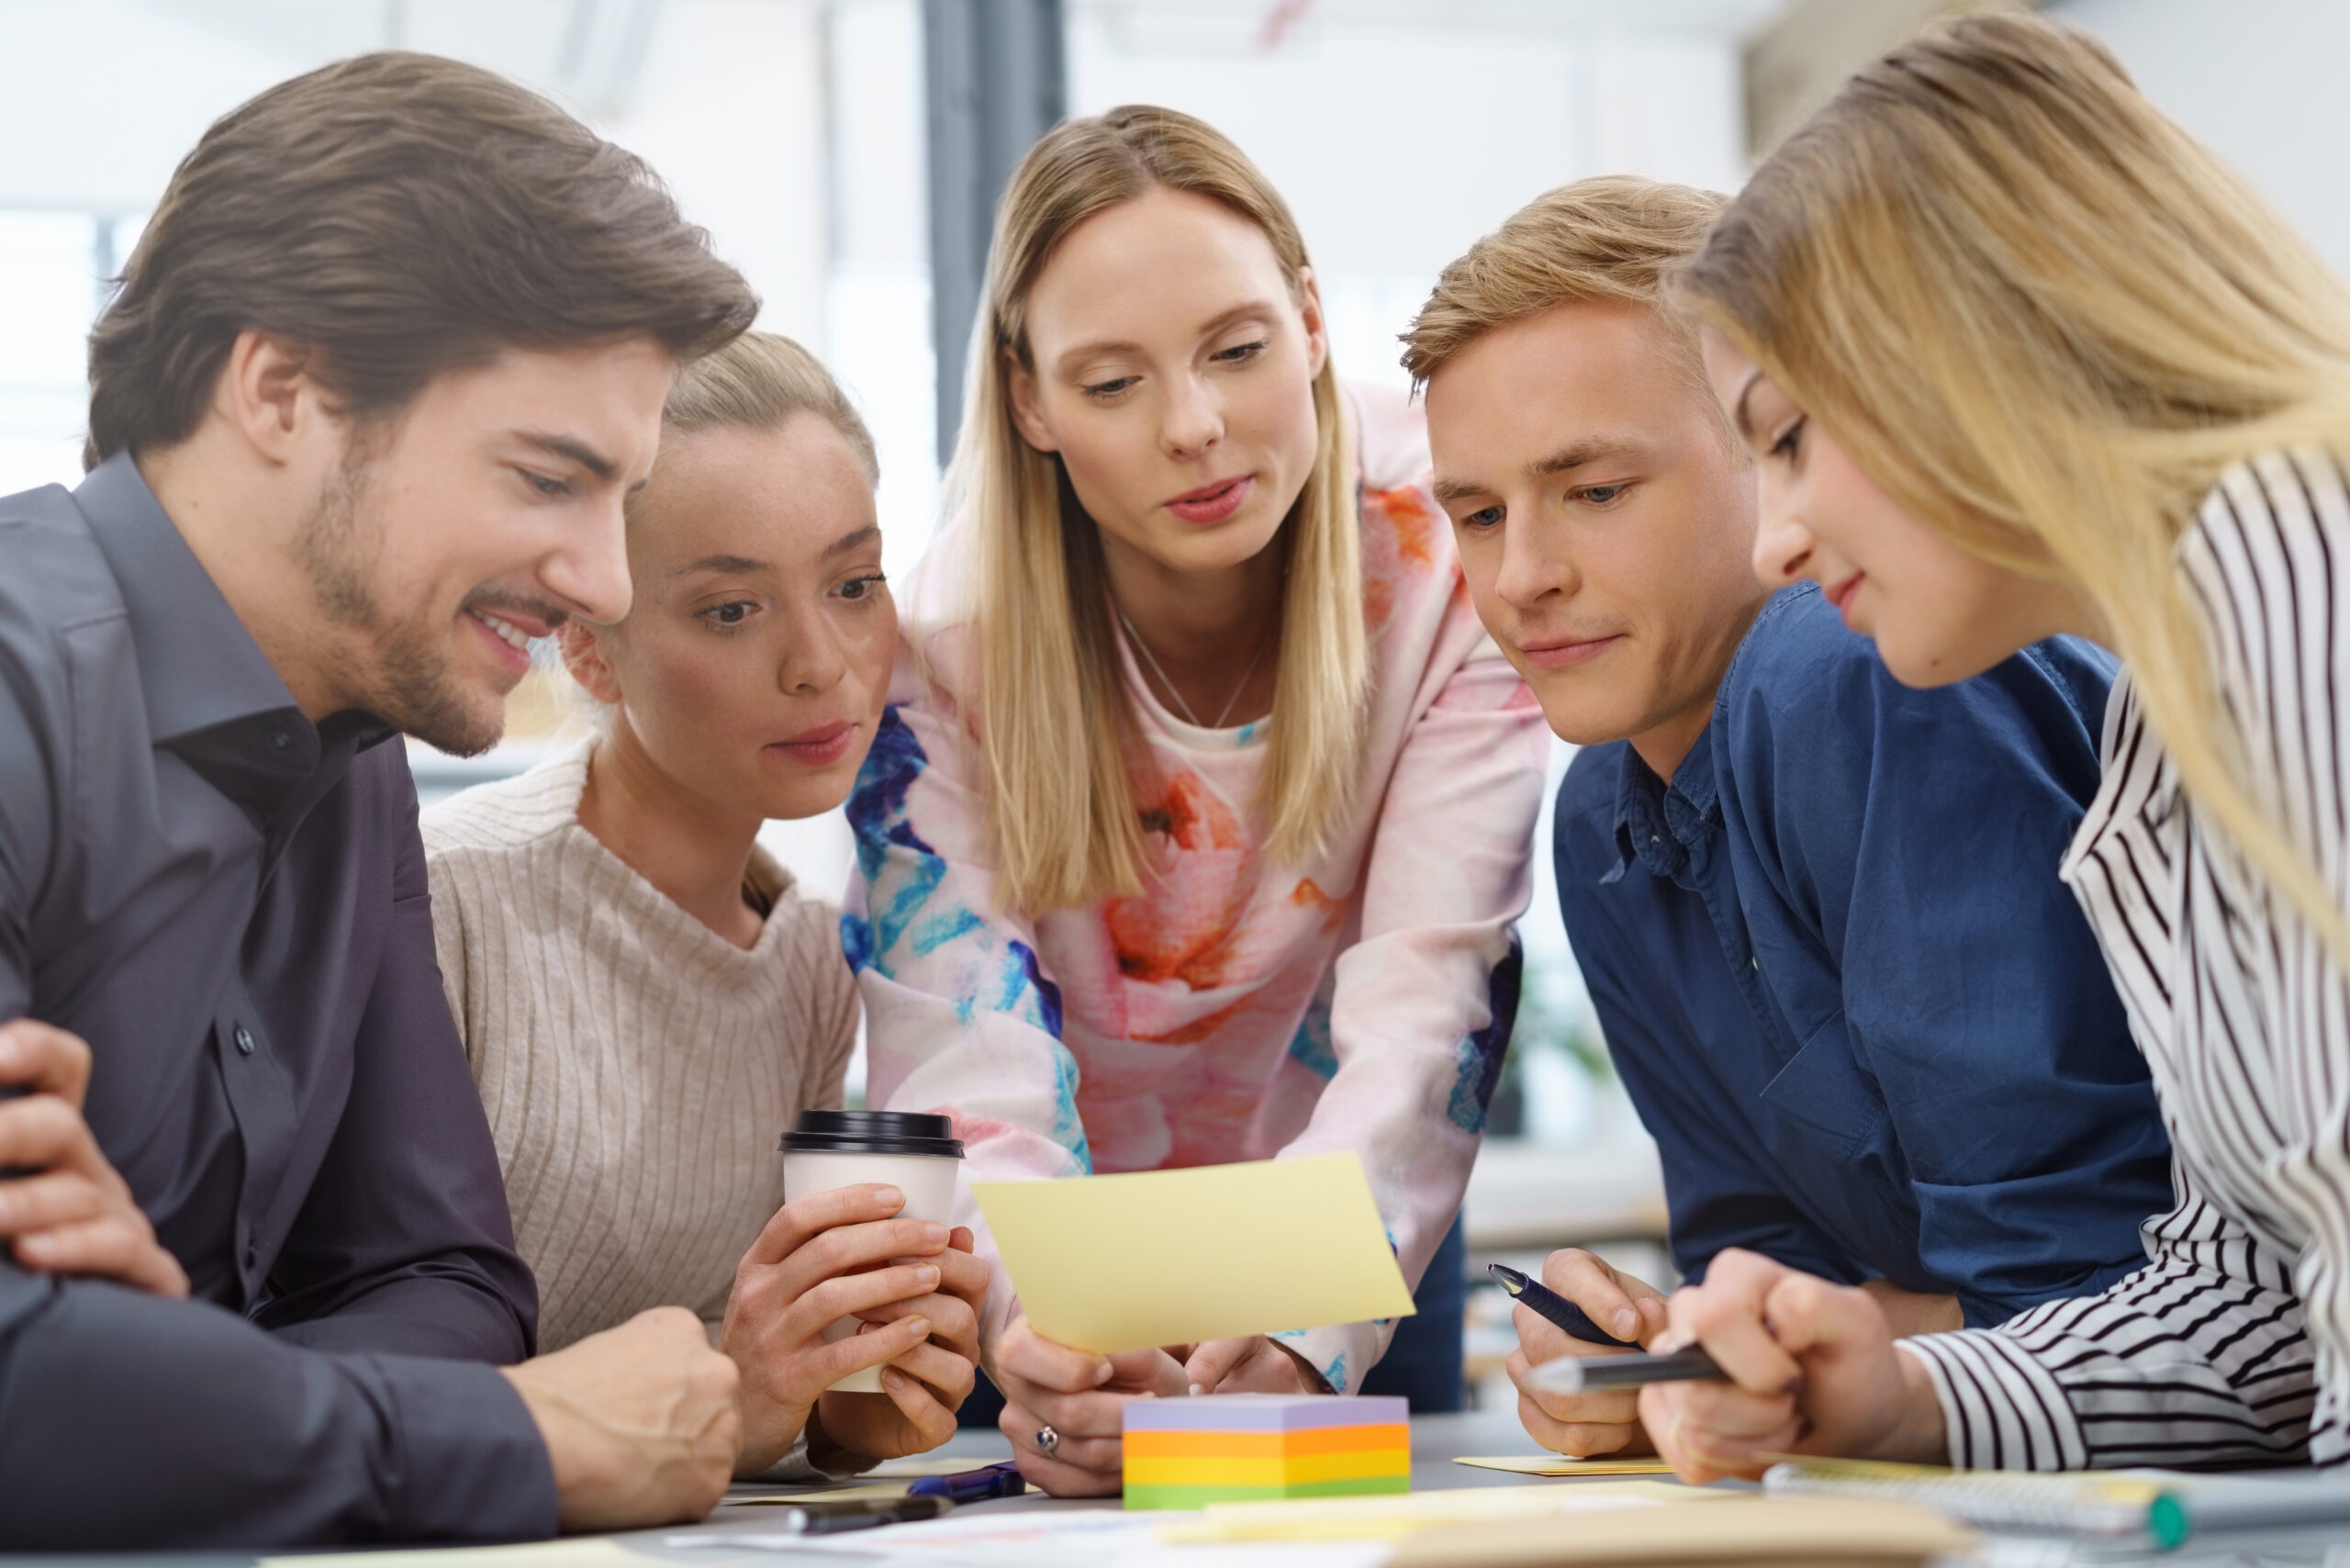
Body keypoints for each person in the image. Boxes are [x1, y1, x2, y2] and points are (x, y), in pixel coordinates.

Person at [0, 53, 762, 1548]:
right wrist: (510, 1437)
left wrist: (167, 1398)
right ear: (281, 389)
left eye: (623, 498)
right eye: (551, 477)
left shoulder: (354, 743)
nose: (607, 580)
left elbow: (457, 1285)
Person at [1645, 9, 2350, 1479]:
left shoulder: (2298, 560)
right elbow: (2258, 1310)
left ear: (1956, 341)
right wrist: (1901, 1394)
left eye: (1788, 436)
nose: (1774, 542)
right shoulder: (2176, 695)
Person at [1404, 177, 2175, 1461]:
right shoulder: (1603, 820)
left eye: (1593, 491)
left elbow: (2072, 1287)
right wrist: (1664, 1360)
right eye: (1478, 514)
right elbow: (1769, 1289)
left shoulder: (1854, 668)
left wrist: (1790, 1359)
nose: (1520, 575)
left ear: (1772, 456)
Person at [842, 105, 1550, 1494]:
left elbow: (1429, 1003)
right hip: (1059, 1274)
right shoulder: (945, 643)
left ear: (1309, 317)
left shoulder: (1448, 549)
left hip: (1351, 1233)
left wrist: (1294, 1328)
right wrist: (1039, 1330)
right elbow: (962, 1062)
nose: (1197, 428)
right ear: (1030, 398)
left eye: (1237, 351)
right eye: (1110, 385)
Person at [423, 331, 985, 1480]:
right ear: (585, 645)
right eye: (733, 610)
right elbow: (357, 1395)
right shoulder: (447, 899)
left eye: (853, 585)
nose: (822, 664)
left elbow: (737, 1412)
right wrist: (742, 1399)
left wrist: (839, 1413)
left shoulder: (813, 962)